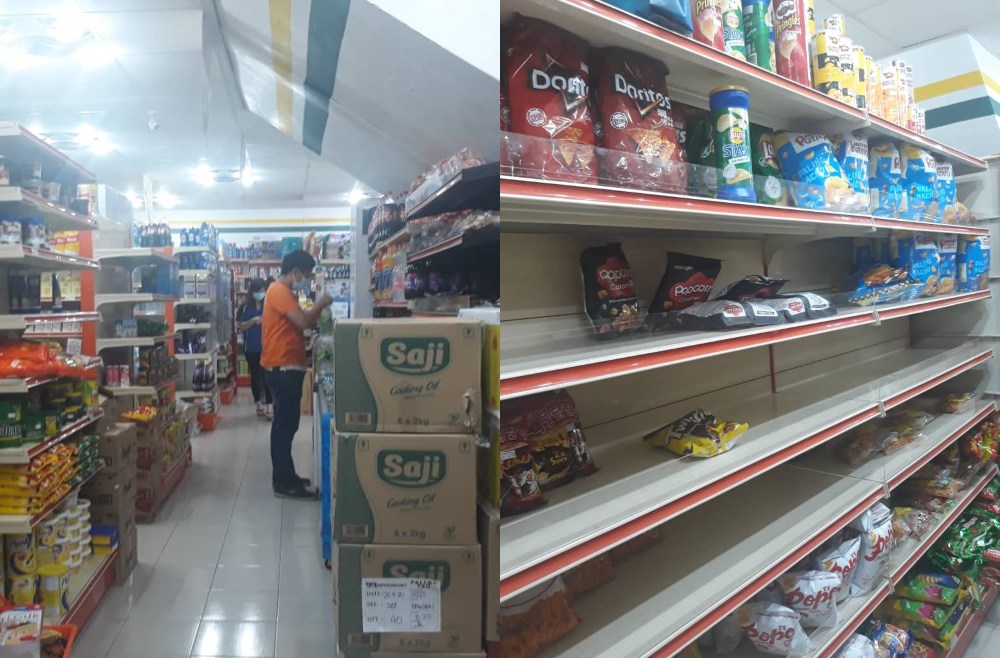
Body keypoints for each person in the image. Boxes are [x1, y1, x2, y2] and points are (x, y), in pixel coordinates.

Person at [261, 250, 332, 499]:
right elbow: (303, 321)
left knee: (287, 425)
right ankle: (282, 482)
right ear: (295, 273)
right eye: (306, 275)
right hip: (283, 368)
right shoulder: (279, 291)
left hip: (285, 366)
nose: (307, 280)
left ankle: (287, 475)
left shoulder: (283, 292)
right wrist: (321, 303)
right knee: (284, 426)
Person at [236, 279, 272, 419]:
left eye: (263, 290)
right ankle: (259, 404)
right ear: (252, 292)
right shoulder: (244, 308)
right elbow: (241, 326)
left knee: (267, 376)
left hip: (267, 346)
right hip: (250, 347)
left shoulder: (268, 305)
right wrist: (254, 321)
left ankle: (269, 405)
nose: (261, 293)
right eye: (259, 290)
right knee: (256, 377)